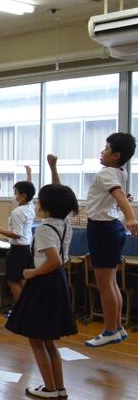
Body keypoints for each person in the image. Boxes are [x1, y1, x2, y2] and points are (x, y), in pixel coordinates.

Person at [5, 155, 78, 399]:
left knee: (37, 340)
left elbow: (53, 260)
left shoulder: (46, 228)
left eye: (40, 200)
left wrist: (31, 272)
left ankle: (49, 388)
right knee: (49, 340)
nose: (37, 203)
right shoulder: (64, 223)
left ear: (48, 205)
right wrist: (53, 168)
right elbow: (60, 194)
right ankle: (59, 387)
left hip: (43, 283)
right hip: (56, 283)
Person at [83, 132, 138, 347]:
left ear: (116, 155)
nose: (102, 151)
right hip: (112, 228)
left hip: (103, 229)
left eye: (106, 148)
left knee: (105, 284)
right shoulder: (121, 172)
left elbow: (119, 196)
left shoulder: (106, 173)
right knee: (112, 283)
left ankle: (110, 330)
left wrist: (131, 217)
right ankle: (117, 327)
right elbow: (120, 195)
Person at [0, 166, 35, 307]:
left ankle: (20, 309)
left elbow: (17, 233)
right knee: (22, 279)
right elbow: (29, 189)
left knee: (12, 280)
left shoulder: (18, 212)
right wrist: (29, 175)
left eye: (15, 193)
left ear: (23, 196)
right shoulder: (30, 207)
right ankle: (27, 308)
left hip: (17, 250)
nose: (14, 196)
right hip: (26, 248)